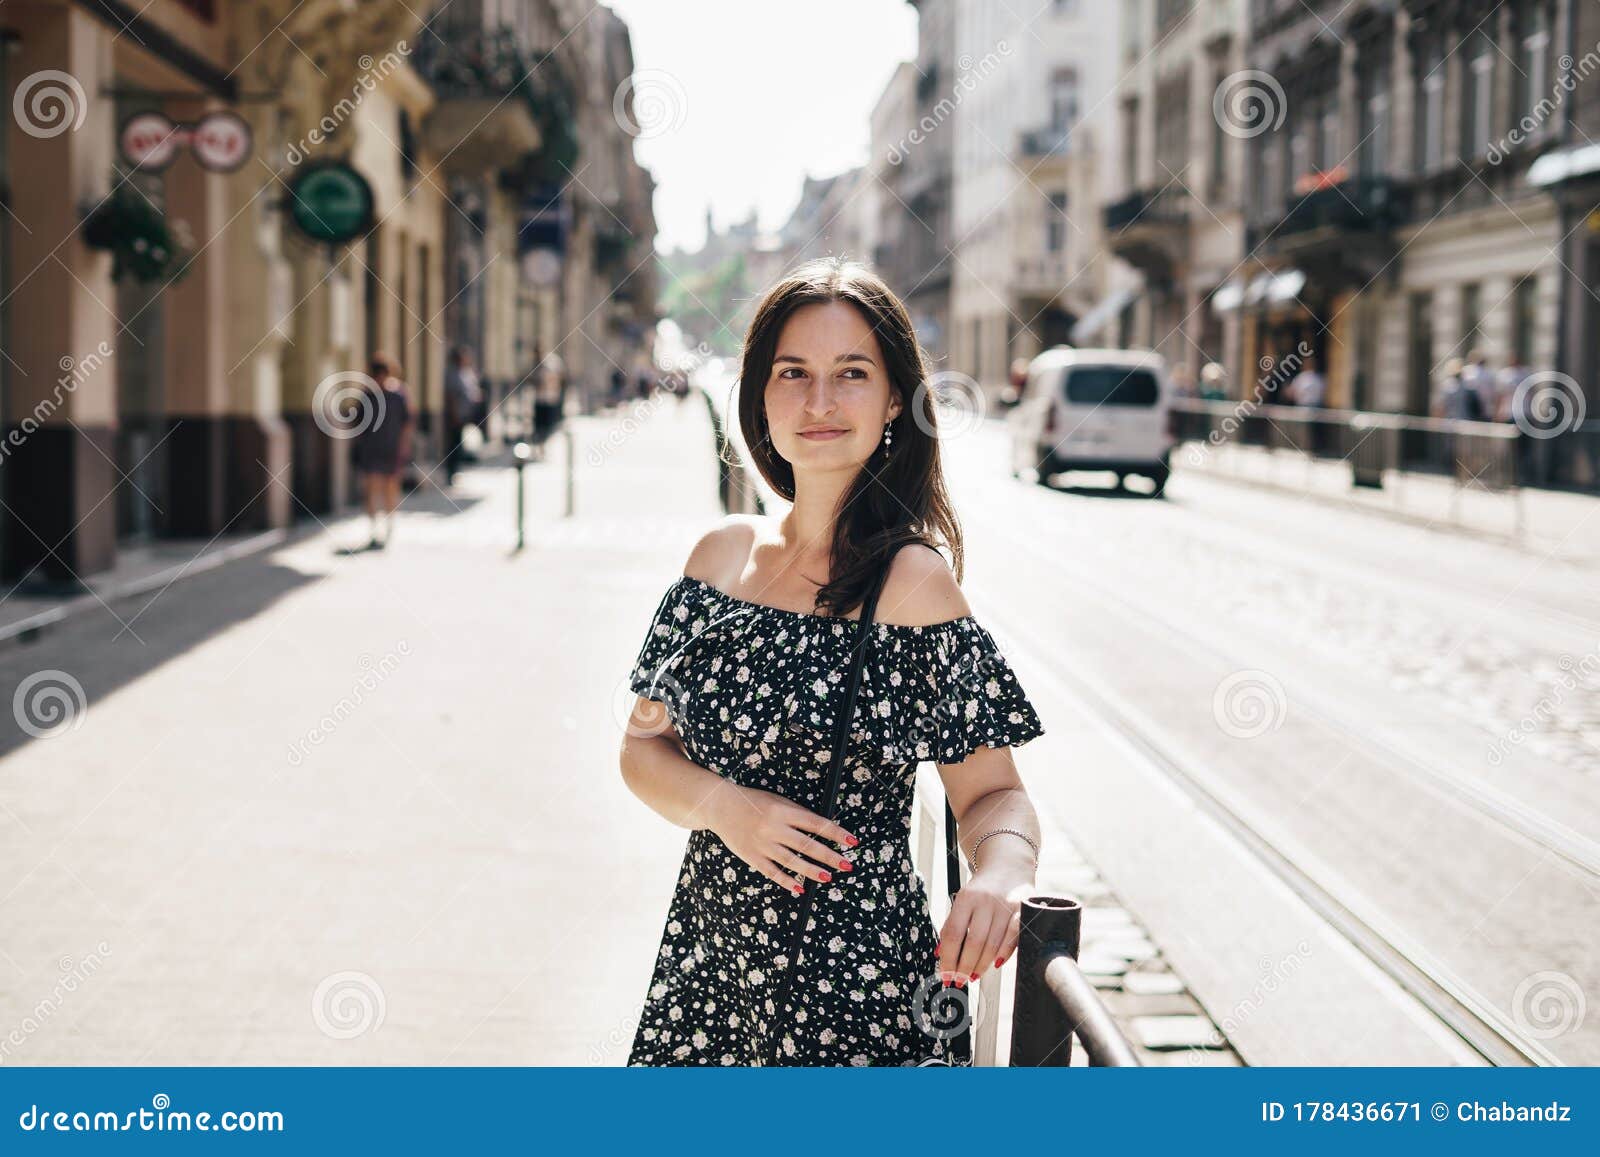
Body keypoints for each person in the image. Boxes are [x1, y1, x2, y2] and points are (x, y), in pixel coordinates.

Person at [619, 256, 1048, 1067]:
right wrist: (723, 805)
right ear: (761, 396)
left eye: (851, 373)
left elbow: (995, 795)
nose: (819, 400)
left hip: (854, 998)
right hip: (708, 977)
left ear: (894, 398)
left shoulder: (912, 582)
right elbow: (641, 748)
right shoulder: (718, 558)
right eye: (794, 373)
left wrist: (1001, 878)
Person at [351, 352, 413, 550]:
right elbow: (357, 425)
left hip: (391, 450)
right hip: (371, 450)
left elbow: (407, 423)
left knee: (390, 488)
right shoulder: (366, 397)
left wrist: (404, 446)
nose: (380, 380)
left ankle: (389, 525)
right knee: (372, 488)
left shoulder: (399, 395)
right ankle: (373, 528)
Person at [442, 345, 482, 487]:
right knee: (453, 444)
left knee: (459, 443)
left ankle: (457, 469)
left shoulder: (466, 372)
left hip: (466, 414)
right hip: (456, 415)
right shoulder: (452, 374)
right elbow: (451, 395)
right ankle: (451, 472)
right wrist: (454, 415)